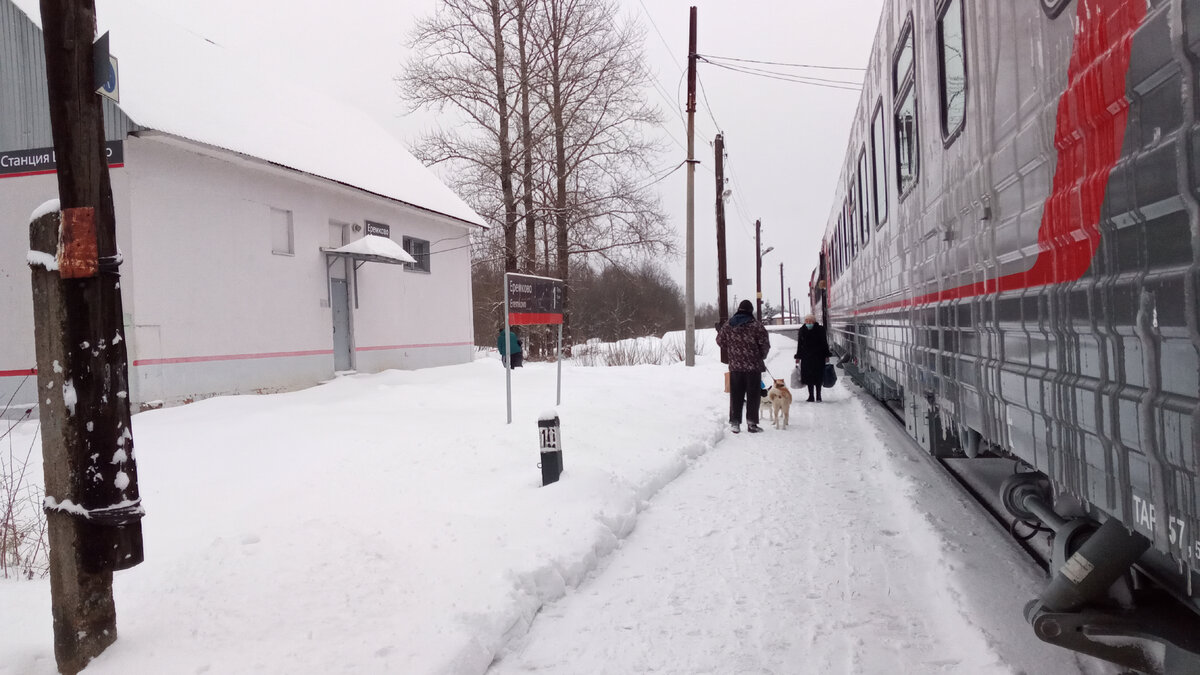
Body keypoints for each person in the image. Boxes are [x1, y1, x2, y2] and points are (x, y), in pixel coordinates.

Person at [716, 299, 771, 434]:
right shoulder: (756, 325)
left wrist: (732, 349)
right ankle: (752, 424)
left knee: (736, 395)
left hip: (735, 367)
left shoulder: (729, 325)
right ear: (750, 311)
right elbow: (765, 344)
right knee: (753, 396)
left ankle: (735, 423)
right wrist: (760, 356)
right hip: (753, 368)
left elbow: (719, 341)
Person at [794, 313, 831, 402]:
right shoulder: (802, 330)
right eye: (807, 321)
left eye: (810, 321)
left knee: (818, 377)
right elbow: (800, 345)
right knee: (808, 377)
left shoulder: (820, 330)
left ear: (814, 322)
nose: (808, 323)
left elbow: (824, 343)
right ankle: (811, 396)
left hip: (819, 357)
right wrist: (798, 356)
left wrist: (826, 355)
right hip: (806, 357)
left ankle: (818, 396)